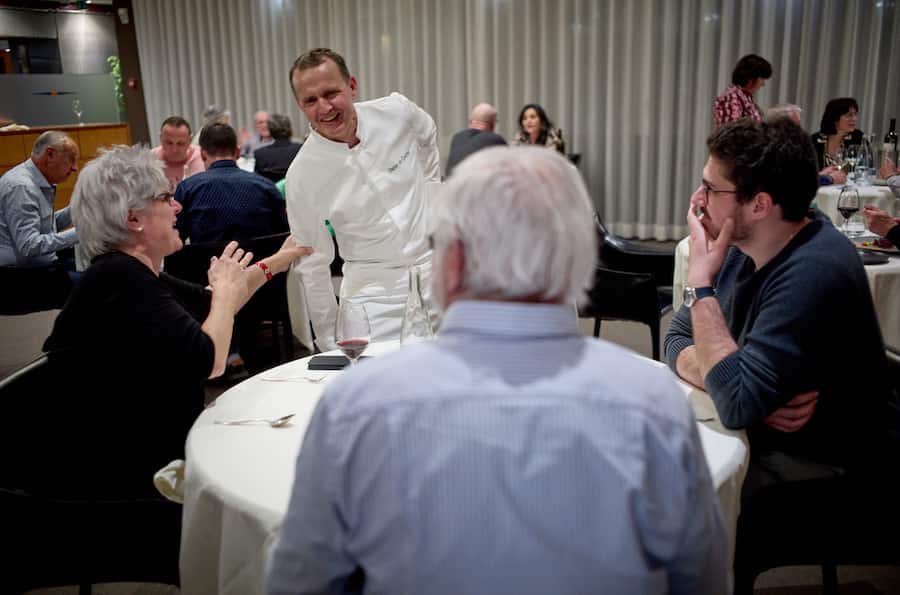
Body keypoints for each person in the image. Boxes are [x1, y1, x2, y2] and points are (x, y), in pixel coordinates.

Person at [267, 146, 728, 595]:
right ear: (579, 261)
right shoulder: (654, 402)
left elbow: (301, 582)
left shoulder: (356, 407)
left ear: (451, 265)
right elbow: (699, 581)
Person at [36, 145, 311, 498]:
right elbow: (209, 361)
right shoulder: (116, 279)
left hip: (145, 449)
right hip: (118, 479)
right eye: (166, 197)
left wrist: (280, 259)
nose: (178, 206)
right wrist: (225, 293)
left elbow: (214, 304)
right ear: (134, 219)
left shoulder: (128, 272)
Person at [665, 117, 896, 488]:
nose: (697, 201)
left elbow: (737, 404)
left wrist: (699, 284)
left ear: (759, 205)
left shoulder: (816, 268)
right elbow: (676, 338)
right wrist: (733, 384)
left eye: (710, 189)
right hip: (773, 442)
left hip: (829, 474)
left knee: (673, 488)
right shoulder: (744, 243)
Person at [286, 47, 440, 350]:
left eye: (331, 93)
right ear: (300, 105)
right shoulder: (301, 175)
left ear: (352, 86)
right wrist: (330, 341)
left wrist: (432, 193)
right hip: (372, 300)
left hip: (435, 275)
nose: (324, 108)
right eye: (310, 100)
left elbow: (428, 134)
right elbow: (314, 264)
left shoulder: (396, 111)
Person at [175, 122, 288, 244]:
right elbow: (283, 236)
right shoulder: (267, 187)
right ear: (238, 152)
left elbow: (175, 240)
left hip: (205, 262)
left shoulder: (187, 190)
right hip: (259, 261)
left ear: (202, 154)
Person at [0, 130, 79, 269]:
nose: (75, 168)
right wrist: (81, 233)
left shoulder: (38, 181)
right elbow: (29, 245)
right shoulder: (21, 186)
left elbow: (47, 227)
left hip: (42, 264)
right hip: (20, 275)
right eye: (71, 159)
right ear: (49, 155)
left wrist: (80, 208)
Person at [445, 102, 507, 177]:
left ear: (471, 121)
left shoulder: (457, 137)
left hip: (452, 186)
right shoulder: (495, 139)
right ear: (493, 124)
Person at [810, 97, 864, 182]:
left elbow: (865, 168)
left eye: (855, 114)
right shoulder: (814, 141)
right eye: (849, 115)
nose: (854, 118)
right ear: (835, 118)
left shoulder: (858, 138)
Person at [713, 54, 771, 126]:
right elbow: (732, 133)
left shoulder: (745, 97)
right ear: (751, 78)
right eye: (762, 79)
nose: (763, 84)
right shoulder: (731, 98)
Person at [150, 115, 205, 188]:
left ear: (190, 140)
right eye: (169, 143)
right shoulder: (151, 158)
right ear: (161, 138)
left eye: (180, 144)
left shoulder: (202, 157)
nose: (174, 149)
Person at [253, 113, 302, 183]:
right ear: (290, 129)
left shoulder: (260, 154)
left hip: (270, 192)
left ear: (271, 131)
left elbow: (258, 181)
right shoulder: (301, 150)